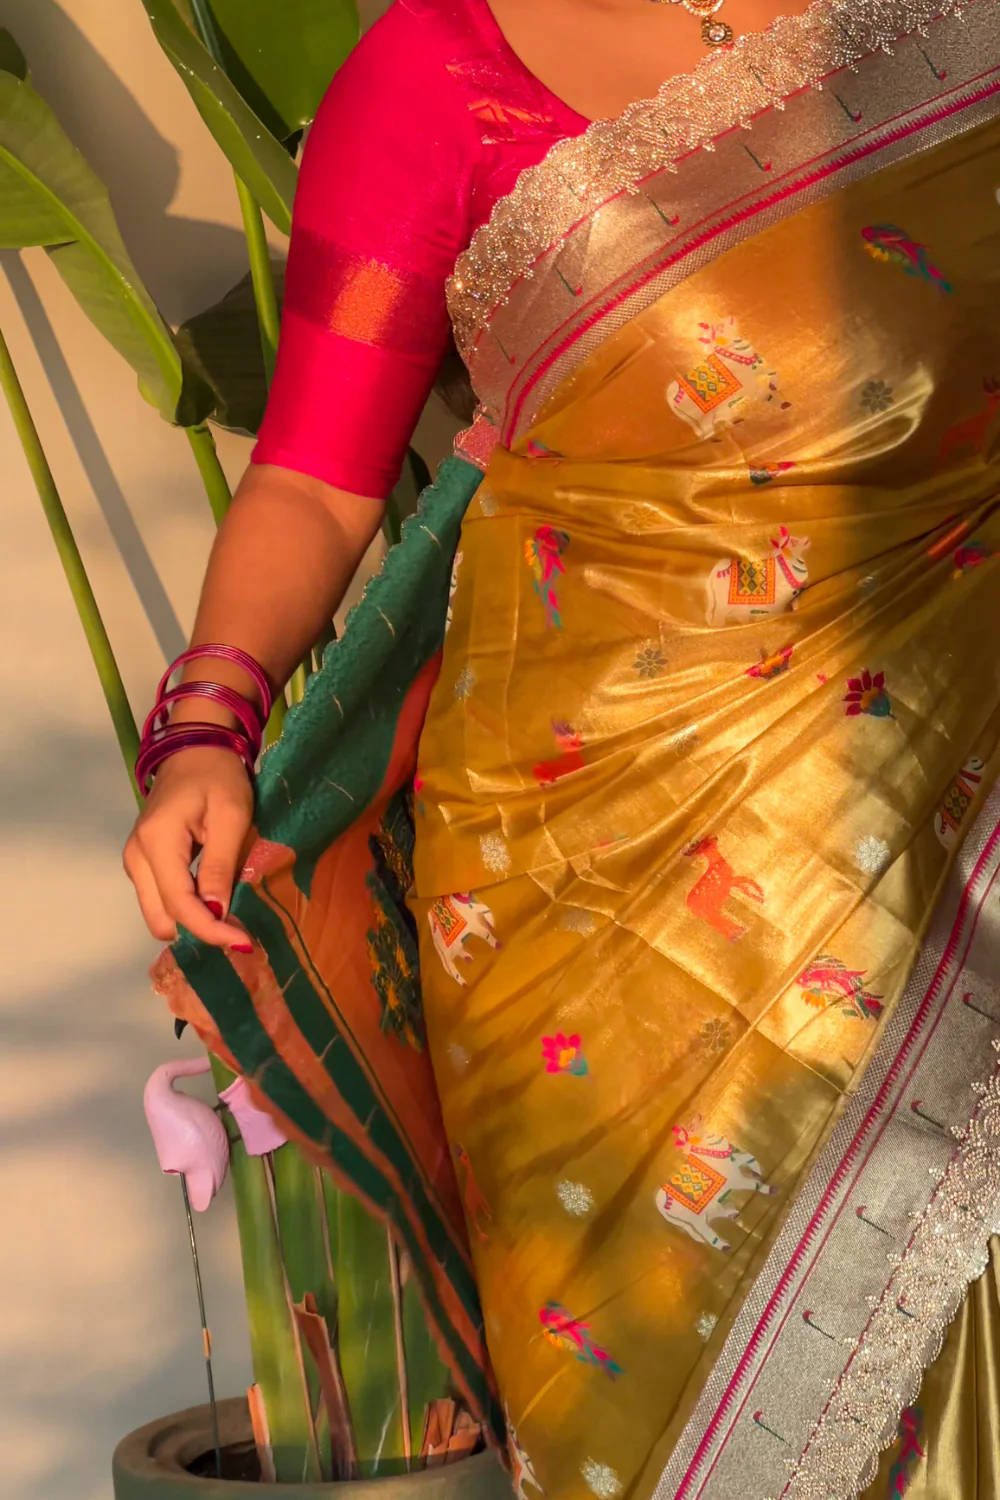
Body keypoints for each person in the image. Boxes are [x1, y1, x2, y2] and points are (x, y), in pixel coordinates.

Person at [125, 0, 1000, 1493]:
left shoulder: (946, 33)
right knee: (655, 1372)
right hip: (585, 875)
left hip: (948, 777)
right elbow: (314, 479)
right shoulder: (434, 75)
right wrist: (209, 723)